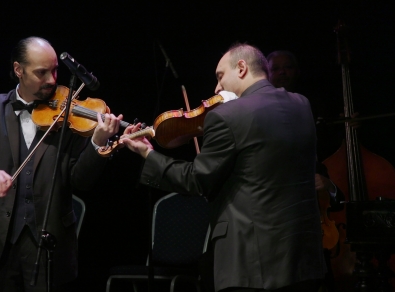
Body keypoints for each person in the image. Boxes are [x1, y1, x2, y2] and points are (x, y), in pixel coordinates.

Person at [121, 43, 326, 291]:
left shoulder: (228, 115)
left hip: (251, 263)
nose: (217, 88)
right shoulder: (302, 105)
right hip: (304, 259)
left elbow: (196, 180)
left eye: (220, 77)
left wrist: (148, 154)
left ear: (241, 68)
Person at [0, 36, 122, 292]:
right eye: (41, 72)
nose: (51, 80)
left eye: (54, 71)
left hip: (50, 245)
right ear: (19, 70)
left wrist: (97, 142)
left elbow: (81, 181)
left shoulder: (69, 112)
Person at [267, 50, 346, 292]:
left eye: (288, 67)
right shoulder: (259, 116)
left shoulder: (311, 109)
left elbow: (338, 200)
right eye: (276, 68)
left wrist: (329, 185)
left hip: (311, 245)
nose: (282, 72)